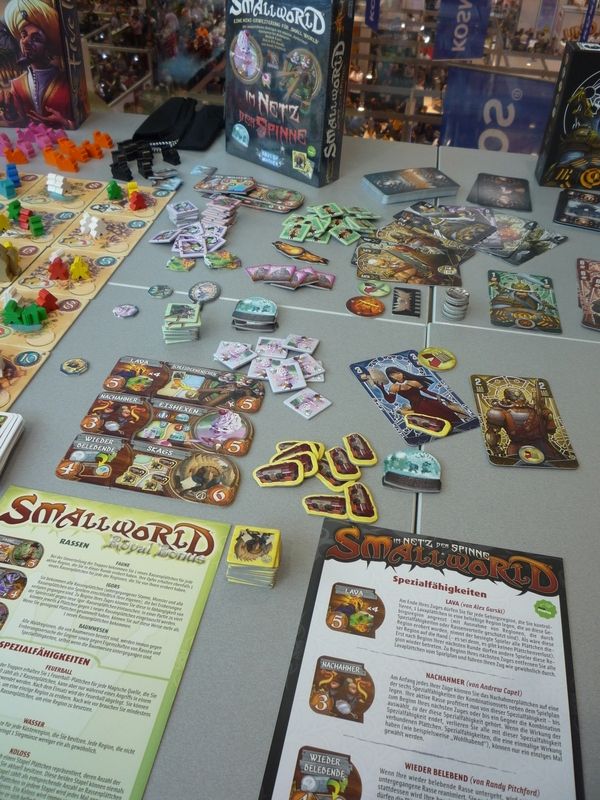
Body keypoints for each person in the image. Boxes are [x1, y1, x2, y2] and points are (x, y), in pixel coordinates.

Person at [0, 0, 76, 128]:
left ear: (48, 47)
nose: (25, 42)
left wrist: (65, 123)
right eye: (23, 35)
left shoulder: (67, 82)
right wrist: (10, 113)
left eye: (36, 38)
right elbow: (21, 123)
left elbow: (80, 118)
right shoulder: (17, 85)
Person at [365, 366, 469, 425]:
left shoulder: (413, 382)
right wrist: (382, 389)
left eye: (397, 373)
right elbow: (390, 400)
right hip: (417, 407)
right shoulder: (394, 387)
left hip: (427, 401)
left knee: (448, 413)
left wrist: (441, 398)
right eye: (392, 375)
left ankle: (461, 423)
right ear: (390, 377)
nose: (396, 376)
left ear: (401, 372)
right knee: (435, 421)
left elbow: (428, 392)